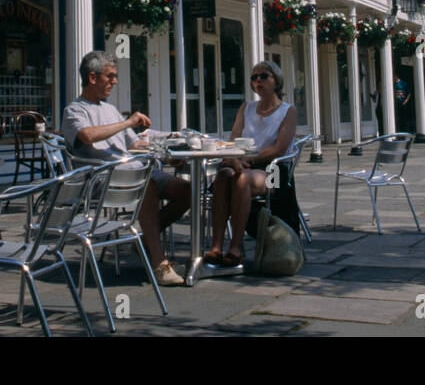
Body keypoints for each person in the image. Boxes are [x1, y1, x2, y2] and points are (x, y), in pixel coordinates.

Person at [60, 50, 190, 286]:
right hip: (102, 178)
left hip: (134, 171)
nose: (115, 81)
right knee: (147, 185)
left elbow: (135, 143)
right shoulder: (74, 111)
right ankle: (159, 264)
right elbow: (86, 136)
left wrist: (168, 154)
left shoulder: (109, 109)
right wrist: (128, 121)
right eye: (110, 76)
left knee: (187, 191)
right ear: (92, 77)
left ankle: (143, 239)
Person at [206, 60, 297, 267]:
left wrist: (248, 160)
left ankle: (236, 248)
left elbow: (279, 149)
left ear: (276, 80)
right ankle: (216, 246)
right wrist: (235, 159)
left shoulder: (287, 111)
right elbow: (233, 139)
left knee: (241, 180)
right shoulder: (246, 108)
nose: (258, 81)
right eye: (254, 77)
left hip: (273, 168)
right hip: (244, 164)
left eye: (263, 76)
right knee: (222, 176)